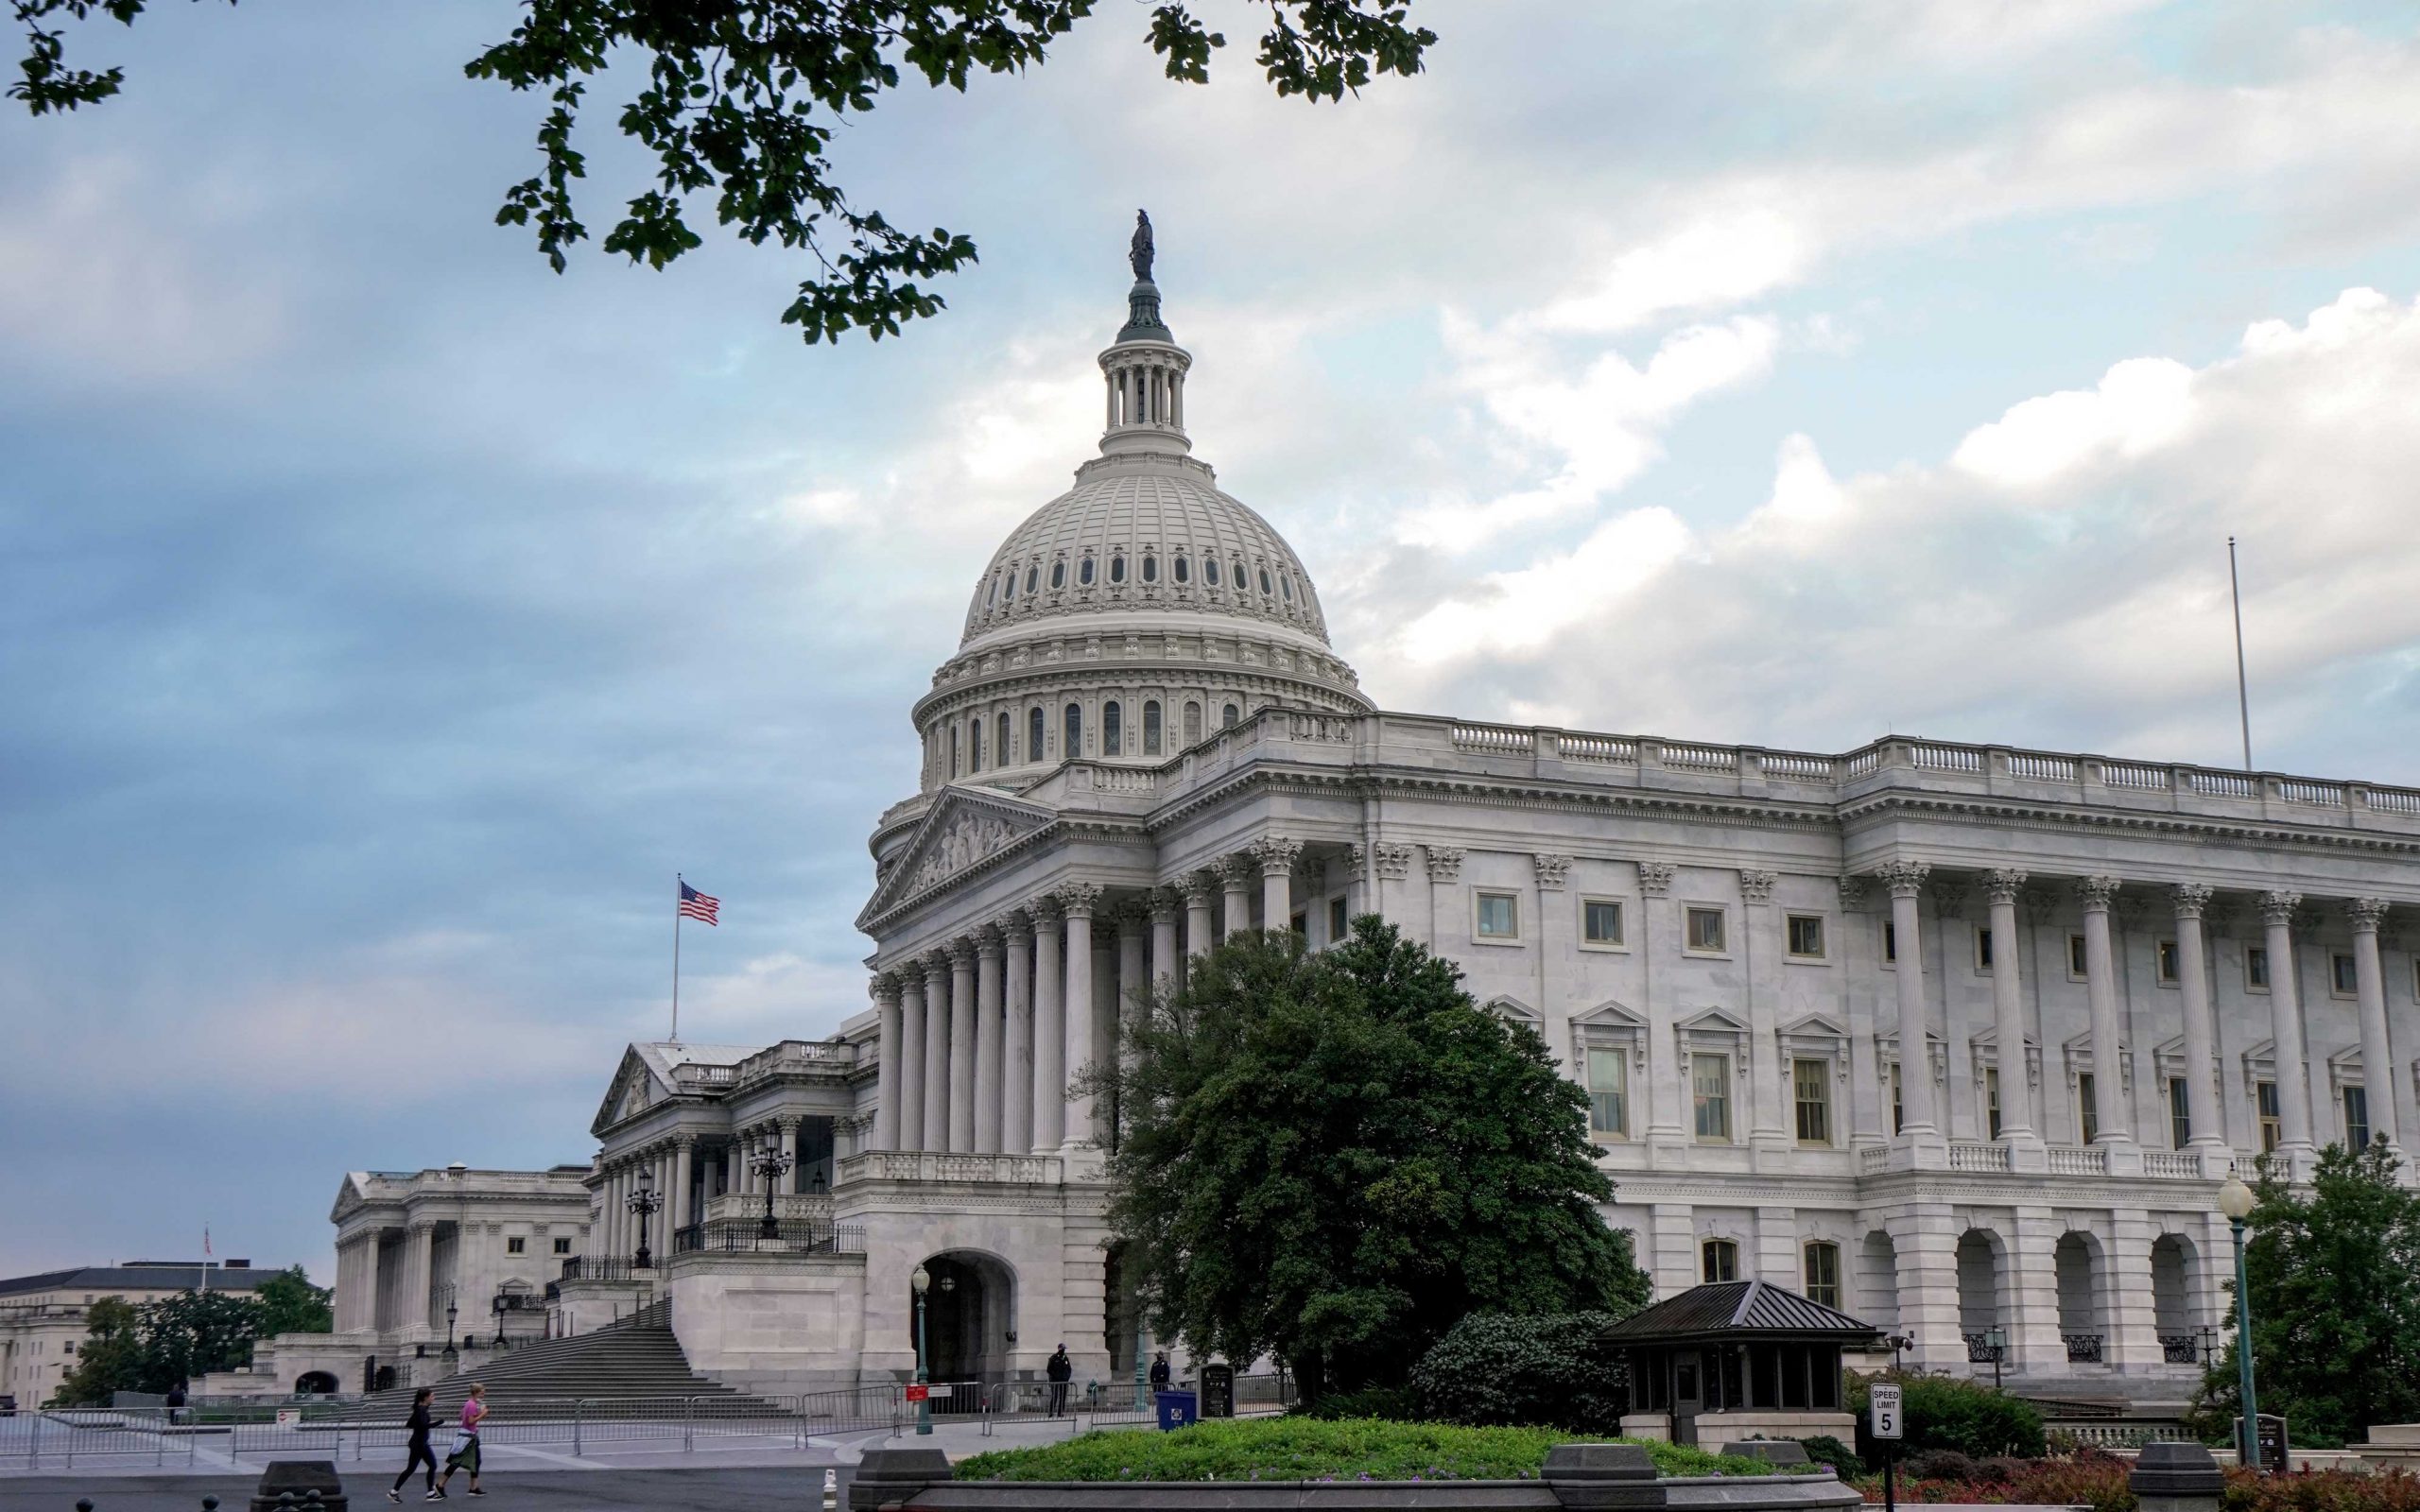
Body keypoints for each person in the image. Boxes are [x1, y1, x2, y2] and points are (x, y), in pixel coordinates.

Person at [432, 1383, 487, 1499]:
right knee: (456, 1462)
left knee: (476, 1461)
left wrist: (476, 1413)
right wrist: (482, 1414)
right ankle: (440, 1485)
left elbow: (460, 1416)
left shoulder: (469, 1403)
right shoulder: (472, 1404)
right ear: (476, 1392)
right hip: (468, 1437)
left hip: (470, 1436)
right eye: (482, 1392)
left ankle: (474, 1488)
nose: (484, 1394)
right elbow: (471, 1421)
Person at [388, 1387, 438, 1503]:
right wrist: (438, 1423)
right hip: (419, 1444)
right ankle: (394, 1491)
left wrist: (421, 1424)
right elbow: (423, 1425)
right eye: (432, 1396)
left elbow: (410, 1424)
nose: (434, 1398)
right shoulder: (421, 1410)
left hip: (421, 1443)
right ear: (426, 1398)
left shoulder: (421, 1409)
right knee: (412, 1469)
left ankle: (430, 1492)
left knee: (431, 1465)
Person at [1045, 1343, 1072, 1417]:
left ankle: (1060, 1412)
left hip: (1064, 1381)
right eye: (1063, 1349)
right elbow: (1049, 1370)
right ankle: (1051, 1412)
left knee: (1063, 1396)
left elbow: (1069, 1369)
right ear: (1059, 1349)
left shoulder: (1065, 1358)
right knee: (1055, 1396)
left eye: (1064, 1349)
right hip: (1055, 1381)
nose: (1063, 1351)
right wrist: (1056, 1376)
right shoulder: (1053, 1358)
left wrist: (1067, 1377)